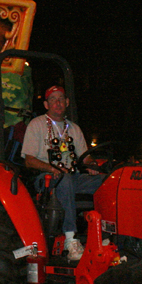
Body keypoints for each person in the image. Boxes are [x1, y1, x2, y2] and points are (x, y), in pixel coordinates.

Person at [21, 85, 105, 261]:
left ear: (66, 102)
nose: (57, 103)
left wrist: (92, 165)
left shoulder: (74, 129)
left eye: (61, 99)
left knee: (107, 181)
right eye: (53, 99)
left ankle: (105, 235)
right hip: (45, 177)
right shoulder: (36, 125)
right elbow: (29, 160)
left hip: (73, 176)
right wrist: (52, 168)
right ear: (46, 104)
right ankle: (70, 240)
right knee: (64, 179)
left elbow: (85, 158)